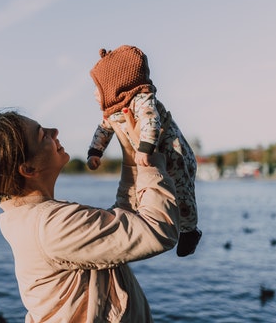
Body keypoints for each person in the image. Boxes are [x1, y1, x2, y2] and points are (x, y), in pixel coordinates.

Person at [0, 108, 180, 322]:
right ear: (28, 169)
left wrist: (132, 153)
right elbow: (159, 229)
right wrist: (148, 159)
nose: (55, 131)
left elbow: (126, 219)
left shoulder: (33, 219)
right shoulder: (50, 225)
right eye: (42, 135)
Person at [86, 45, 202, 257]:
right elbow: (103, 129)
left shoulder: (141, 100)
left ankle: (189, 231)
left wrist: (145, 147)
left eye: (99, 87)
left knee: (183, 195)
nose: (95, 93)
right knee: (146, 193)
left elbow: (152, 120)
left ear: (116, 85)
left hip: (174, 156)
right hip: (149, 160)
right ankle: (145, 221)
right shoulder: (112, 110)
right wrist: (95, 151)